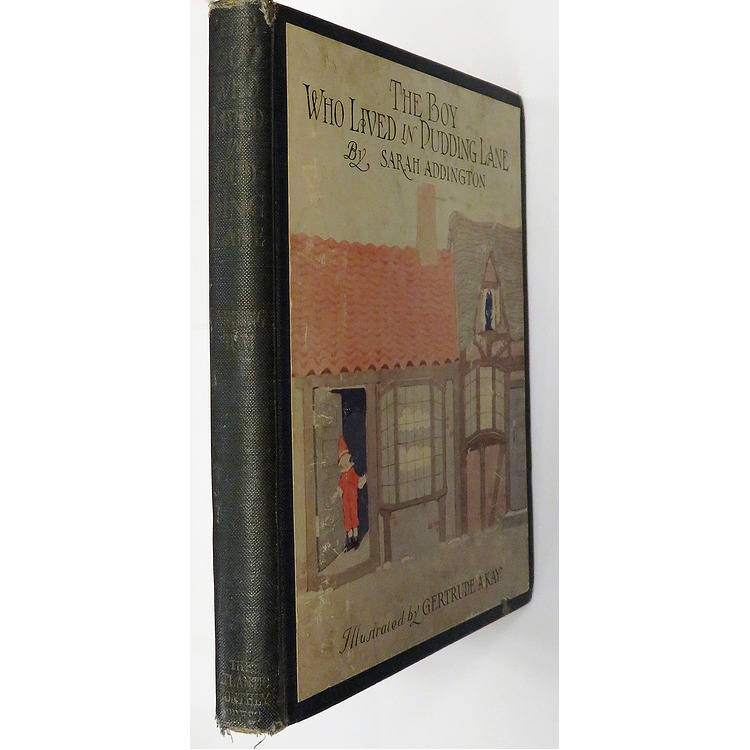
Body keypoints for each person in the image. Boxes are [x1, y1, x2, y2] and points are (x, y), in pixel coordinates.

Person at [332, 435, 366, 550]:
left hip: (352, 497)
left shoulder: (351, 471)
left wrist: (361, 480)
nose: (345, 462)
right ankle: (350, 539)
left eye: (346, 459)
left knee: (353, 515)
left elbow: (357, 480)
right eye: (343, 461)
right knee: (347, 516)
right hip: (345, 499)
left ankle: (356, 538)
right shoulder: (342, 475)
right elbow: (341, 486)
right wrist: (338, 492)